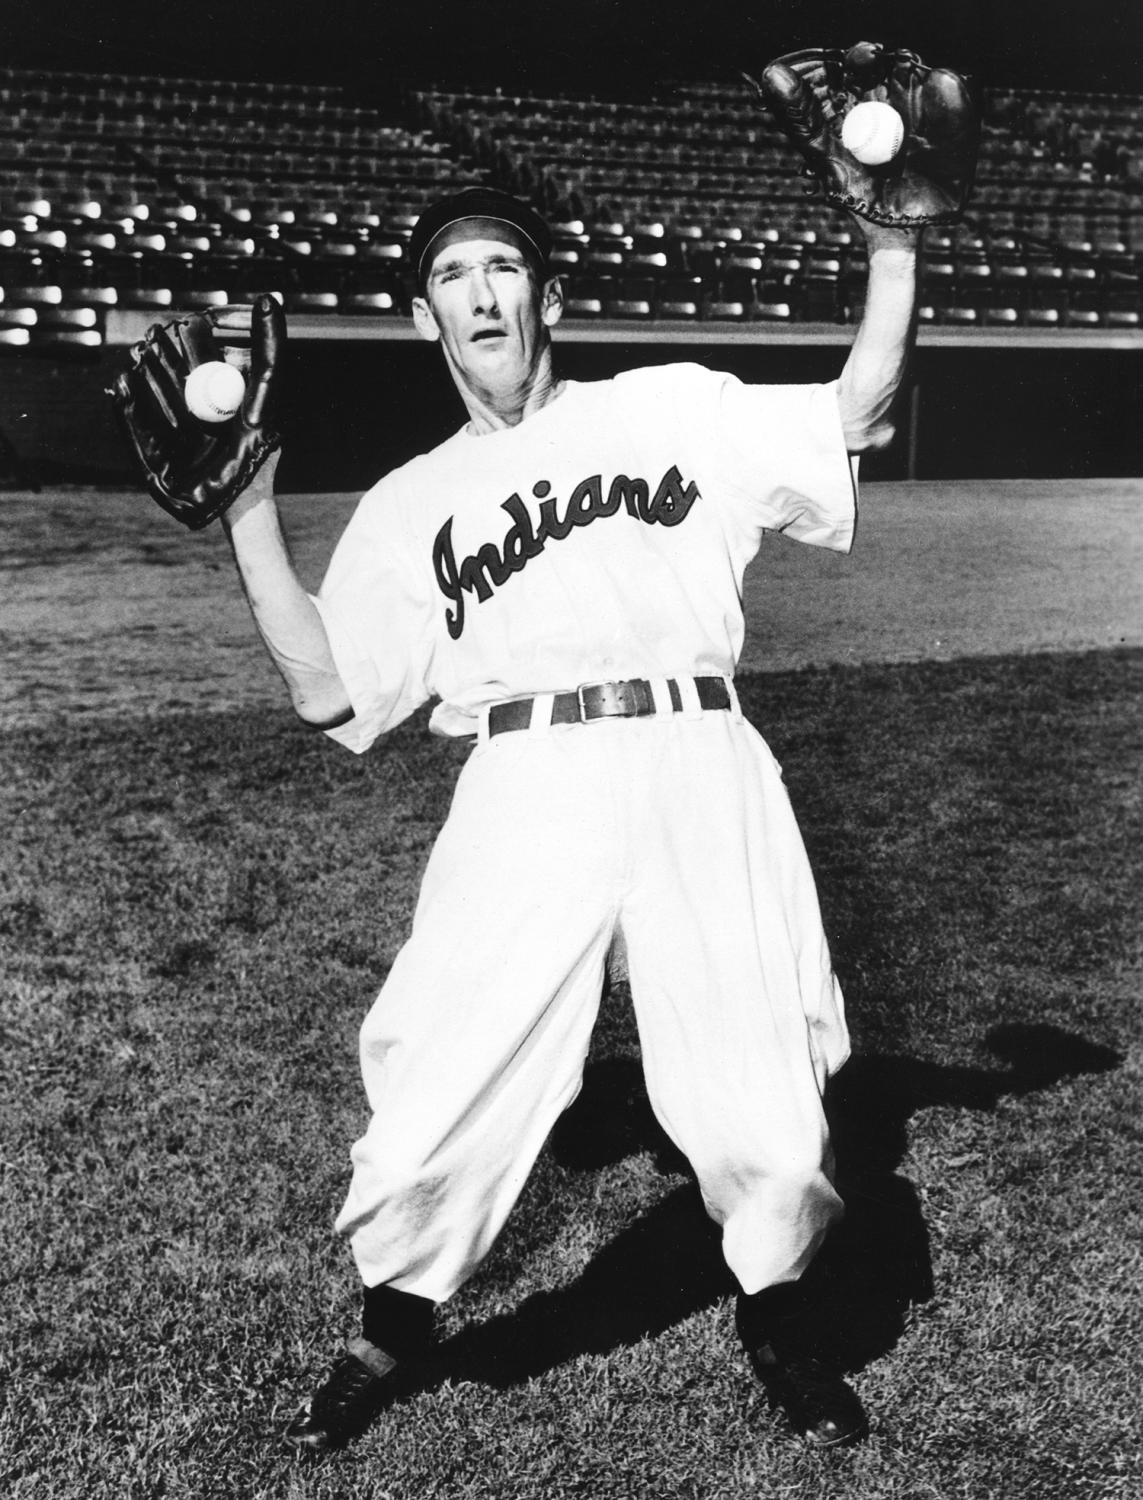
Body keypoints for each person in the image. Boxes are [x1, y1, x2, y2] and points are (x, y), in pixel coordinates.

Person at [218, 184, 922, 1453]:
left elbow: (856, 412)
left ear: (549, 298)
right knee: (444, 1059)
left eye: (503, 268)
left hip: (697, 752)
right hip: (526, 775)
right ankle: (393, 1324)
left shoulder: (671, 404)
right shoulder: (408, 502)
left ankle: (782, 1321)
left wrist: (891, 249)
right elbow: (331, 691)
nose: (482, 293)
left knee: (760, 1075)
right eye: (451, 276)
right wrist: (248, 511)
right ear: (426, 318)